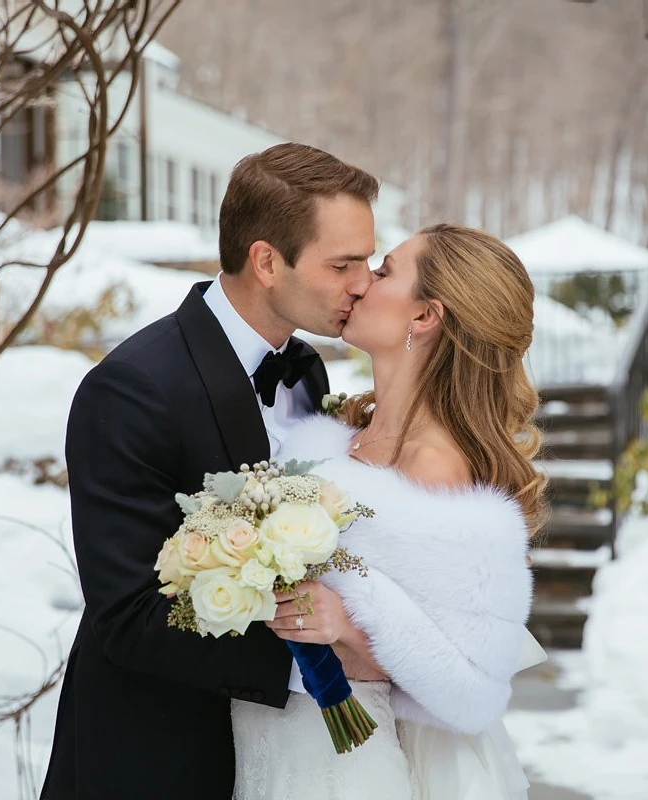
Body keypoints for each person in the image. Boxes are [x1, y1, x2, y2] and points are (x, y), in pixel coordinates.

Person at [40, 142, 384, 799]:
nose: (363, 282)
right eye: (344, 263)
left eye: (367, 260)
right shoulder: (132, 389)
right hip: (158, 755)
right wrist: (320, 664)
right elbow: (131, 616)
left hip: (282, 761)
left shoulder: (307, 370)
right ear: (265, 261)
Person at [231, 224, 546, 799]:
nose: (359, 283)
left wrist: (349, 622)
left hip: (354, 762)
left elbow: (468, 684)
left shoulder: (437, 471)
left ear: (425, 316)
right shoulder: (341, 434)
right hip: (273, 745)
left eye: (383, 272)